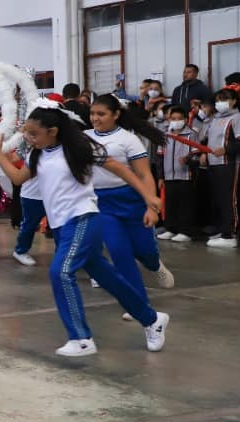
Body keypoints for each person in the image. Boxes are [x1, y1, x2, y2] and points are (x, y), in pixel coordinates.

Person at [0, 104, 169, 357]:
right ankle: (152, 319)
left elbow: (122, 170)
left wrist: (148, 196)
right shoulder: (38, 154)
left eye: (33, 134)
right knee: (107, 276)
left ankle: (81, 338)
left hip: (83, 218)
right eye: (27, 133)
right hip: (61, 226)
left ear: (52, 131)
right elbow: (19, 179)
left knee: (61, 272)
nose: (28, 138)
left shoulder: (79, 148)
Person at [86, 94, 175, 295]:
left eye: (101, 114)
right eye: (92, 113)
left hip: (131, 200)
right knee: (118, 252)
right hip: (102, 203)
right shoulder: (84, 137)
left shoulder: (129, 139)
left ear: (116, 114)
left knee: (145, 251)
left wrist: (151, 207)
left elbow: (144, 175)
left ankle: (155, 266)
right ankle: (138, 303)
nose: (95, 118)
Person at [201, 89, 240, 248]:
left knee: (231, 199)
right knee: (220, 199)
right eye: (218, 99)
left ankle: (230, 234)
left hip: (232, 164)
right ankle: (224, 229)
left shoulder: (238, 118)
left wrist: (226, 150)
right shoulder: (214, 119)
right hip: (215, 163)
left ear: (234, 101)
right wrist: (204, 153)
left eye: (225, 99)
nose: (221, 102)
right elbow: (208, 140)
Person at [157, 106, 202, 243]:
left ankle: (185, 231)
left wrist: (188, 160)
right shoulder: (165, 135)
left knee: (185, 205)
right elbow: (160, 157)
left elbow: (197, 156)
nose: (176, 121)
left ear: (185, 119)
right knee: (170, 203)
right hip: (169, 176)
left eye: (179, 119)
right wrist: (160, 176)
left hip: (185, 176)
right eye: (173, 118)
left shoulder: (191, 134)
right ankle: (171, 229)